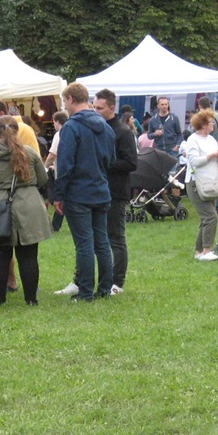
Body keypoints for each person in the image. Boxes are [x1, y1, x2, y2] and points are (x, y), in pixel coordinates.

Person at [0, 116, 51, 306]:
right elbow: (43, 179)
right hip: (28, 205)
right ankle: (31, 299)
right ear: (17, 130)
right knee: (28, 256)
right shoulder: (29, 153)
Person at [53, 82, 116, 301]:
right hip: (101, 189)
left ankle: (86, 291)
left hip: (78, 192)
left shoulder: (71, 127)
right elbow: (112, 159)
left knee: (84, 244)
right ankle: (105, 289)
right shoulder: (106, 126)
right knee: (102, 242)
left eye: (64, 101)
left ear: (71, 99)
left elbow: (65, 164)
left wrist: (58, 194)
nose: (64, 106)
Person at [93, 88, 138, 293]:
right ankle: (97, 278)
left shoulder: (123, 131)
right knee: (97, 237)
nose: (96, 111)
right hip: (97, 189)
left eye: (100, 108)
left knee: (116, 237)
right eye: (94, 107)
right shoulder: (97, 129)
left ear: (112, 108)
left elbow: (131, 163)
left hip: (116, 191)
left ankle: (117, 282)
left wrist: (105, 163)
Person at [183, 108, 218, 261]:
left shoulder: (211, 140)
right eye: (210, 122)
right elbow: (194, 162)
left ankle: (199, 252)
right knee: (211, 216)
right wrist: (211, 155)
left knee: (206, 219)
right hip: (196, 183)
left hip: (211, 182)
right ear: (203, 124)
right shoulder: (193, 140)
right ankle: (207, 250)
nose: (213, 124)